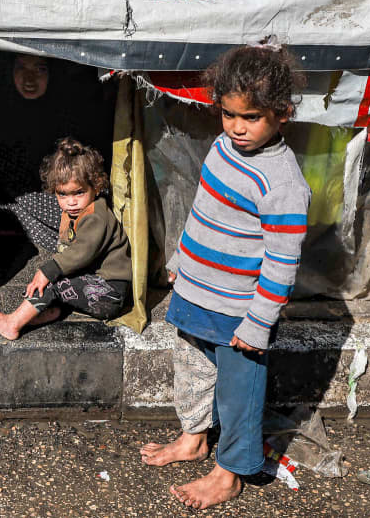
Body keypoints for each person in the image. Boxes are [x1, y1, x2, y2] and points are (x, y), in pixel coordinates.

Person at [139, 44, 312, 509]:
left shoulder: (283, 183)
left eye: (251, 117)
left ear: (282, 113)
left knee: (240, 392)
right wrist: (181, 261)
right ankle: (193, 437)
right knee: (192, 368)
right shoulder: (223, 147)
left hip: (239, 309)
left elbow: (281, 262)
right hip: (197, 287)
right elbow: (204, 211)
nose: (237, 127)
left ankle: (230, 471)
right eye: (229, 114)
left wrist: (259, 323)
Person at [0, 138, 131, 338]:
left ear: (95, 186)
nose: (71, 202)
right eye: (62, 195)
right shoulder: (76, 211)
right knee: (56, 281)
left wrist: (48, 270)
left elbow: (82, 252)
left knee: (53, 283)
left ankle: (13, 323)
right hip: (92, 283)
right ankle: (48, 313)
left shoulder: (97, 216)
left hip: (108, 293)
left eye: (79, 193)